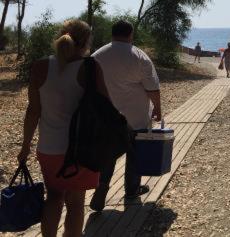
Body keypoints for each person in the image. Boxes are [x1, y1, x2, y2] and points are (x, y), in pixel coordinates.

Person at [17, 19, 110, 237]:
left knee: (54, 197)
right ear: (86, 41)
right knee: (76, 203)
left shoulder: (40, 67)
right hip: (81, 149)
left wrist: (25, 146)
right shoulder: (90, 67)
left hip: (49, 147)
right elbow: (105, 106)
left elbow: (33, 111)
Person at [89, 20, 161, 212]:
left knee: (108, 154)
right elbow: (152, 88)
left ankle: (102, 187)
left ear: (112, 34)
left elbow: (89, 88)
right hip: (136, 117)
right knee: (134, 154)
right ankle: (131, 190)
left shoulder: (97, 56)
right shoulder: (139, 56)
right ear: (131, 34)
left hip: (107, 119)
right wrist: (158, 108)